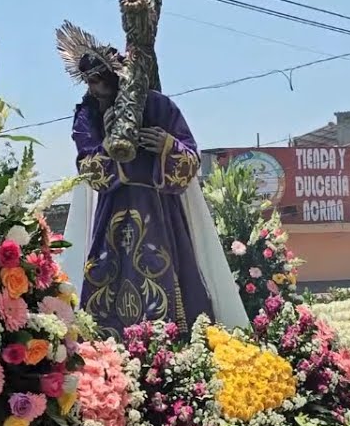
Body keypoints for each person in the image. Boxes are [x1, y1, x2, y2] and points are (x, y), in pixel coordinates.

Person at [57, 23, 249, 337]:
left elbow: (190, 159)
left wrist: (166, 145)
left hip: (160, 208)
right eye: (90, 83)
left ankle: (174, 348)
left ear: (116, 76)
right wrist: (108, 145)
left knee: (169, 272)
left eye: (100, 82)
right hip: (112, 210)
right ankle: (108, 347)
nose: (95, 90)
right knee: (107, 275)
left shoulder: (158, 106)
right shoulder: (88, 115)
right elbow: (89, 168)